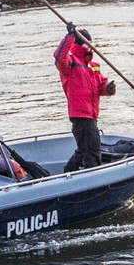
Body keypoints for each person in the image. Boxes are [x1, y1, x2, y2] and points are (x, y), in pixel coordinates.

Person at [55, 23, 117, 173]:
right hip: (81, 116)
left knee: (84, 150)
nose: (91, 46)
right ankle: (93, 178)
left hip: (91, 114)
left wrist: (108, 89)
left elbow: (101, 84)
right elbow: (59, 57)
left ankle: (68, 173)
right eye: (87, 43)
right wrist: (69, 37)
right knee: (92, 152)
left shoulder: (93, 65)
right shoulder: (70, 63)